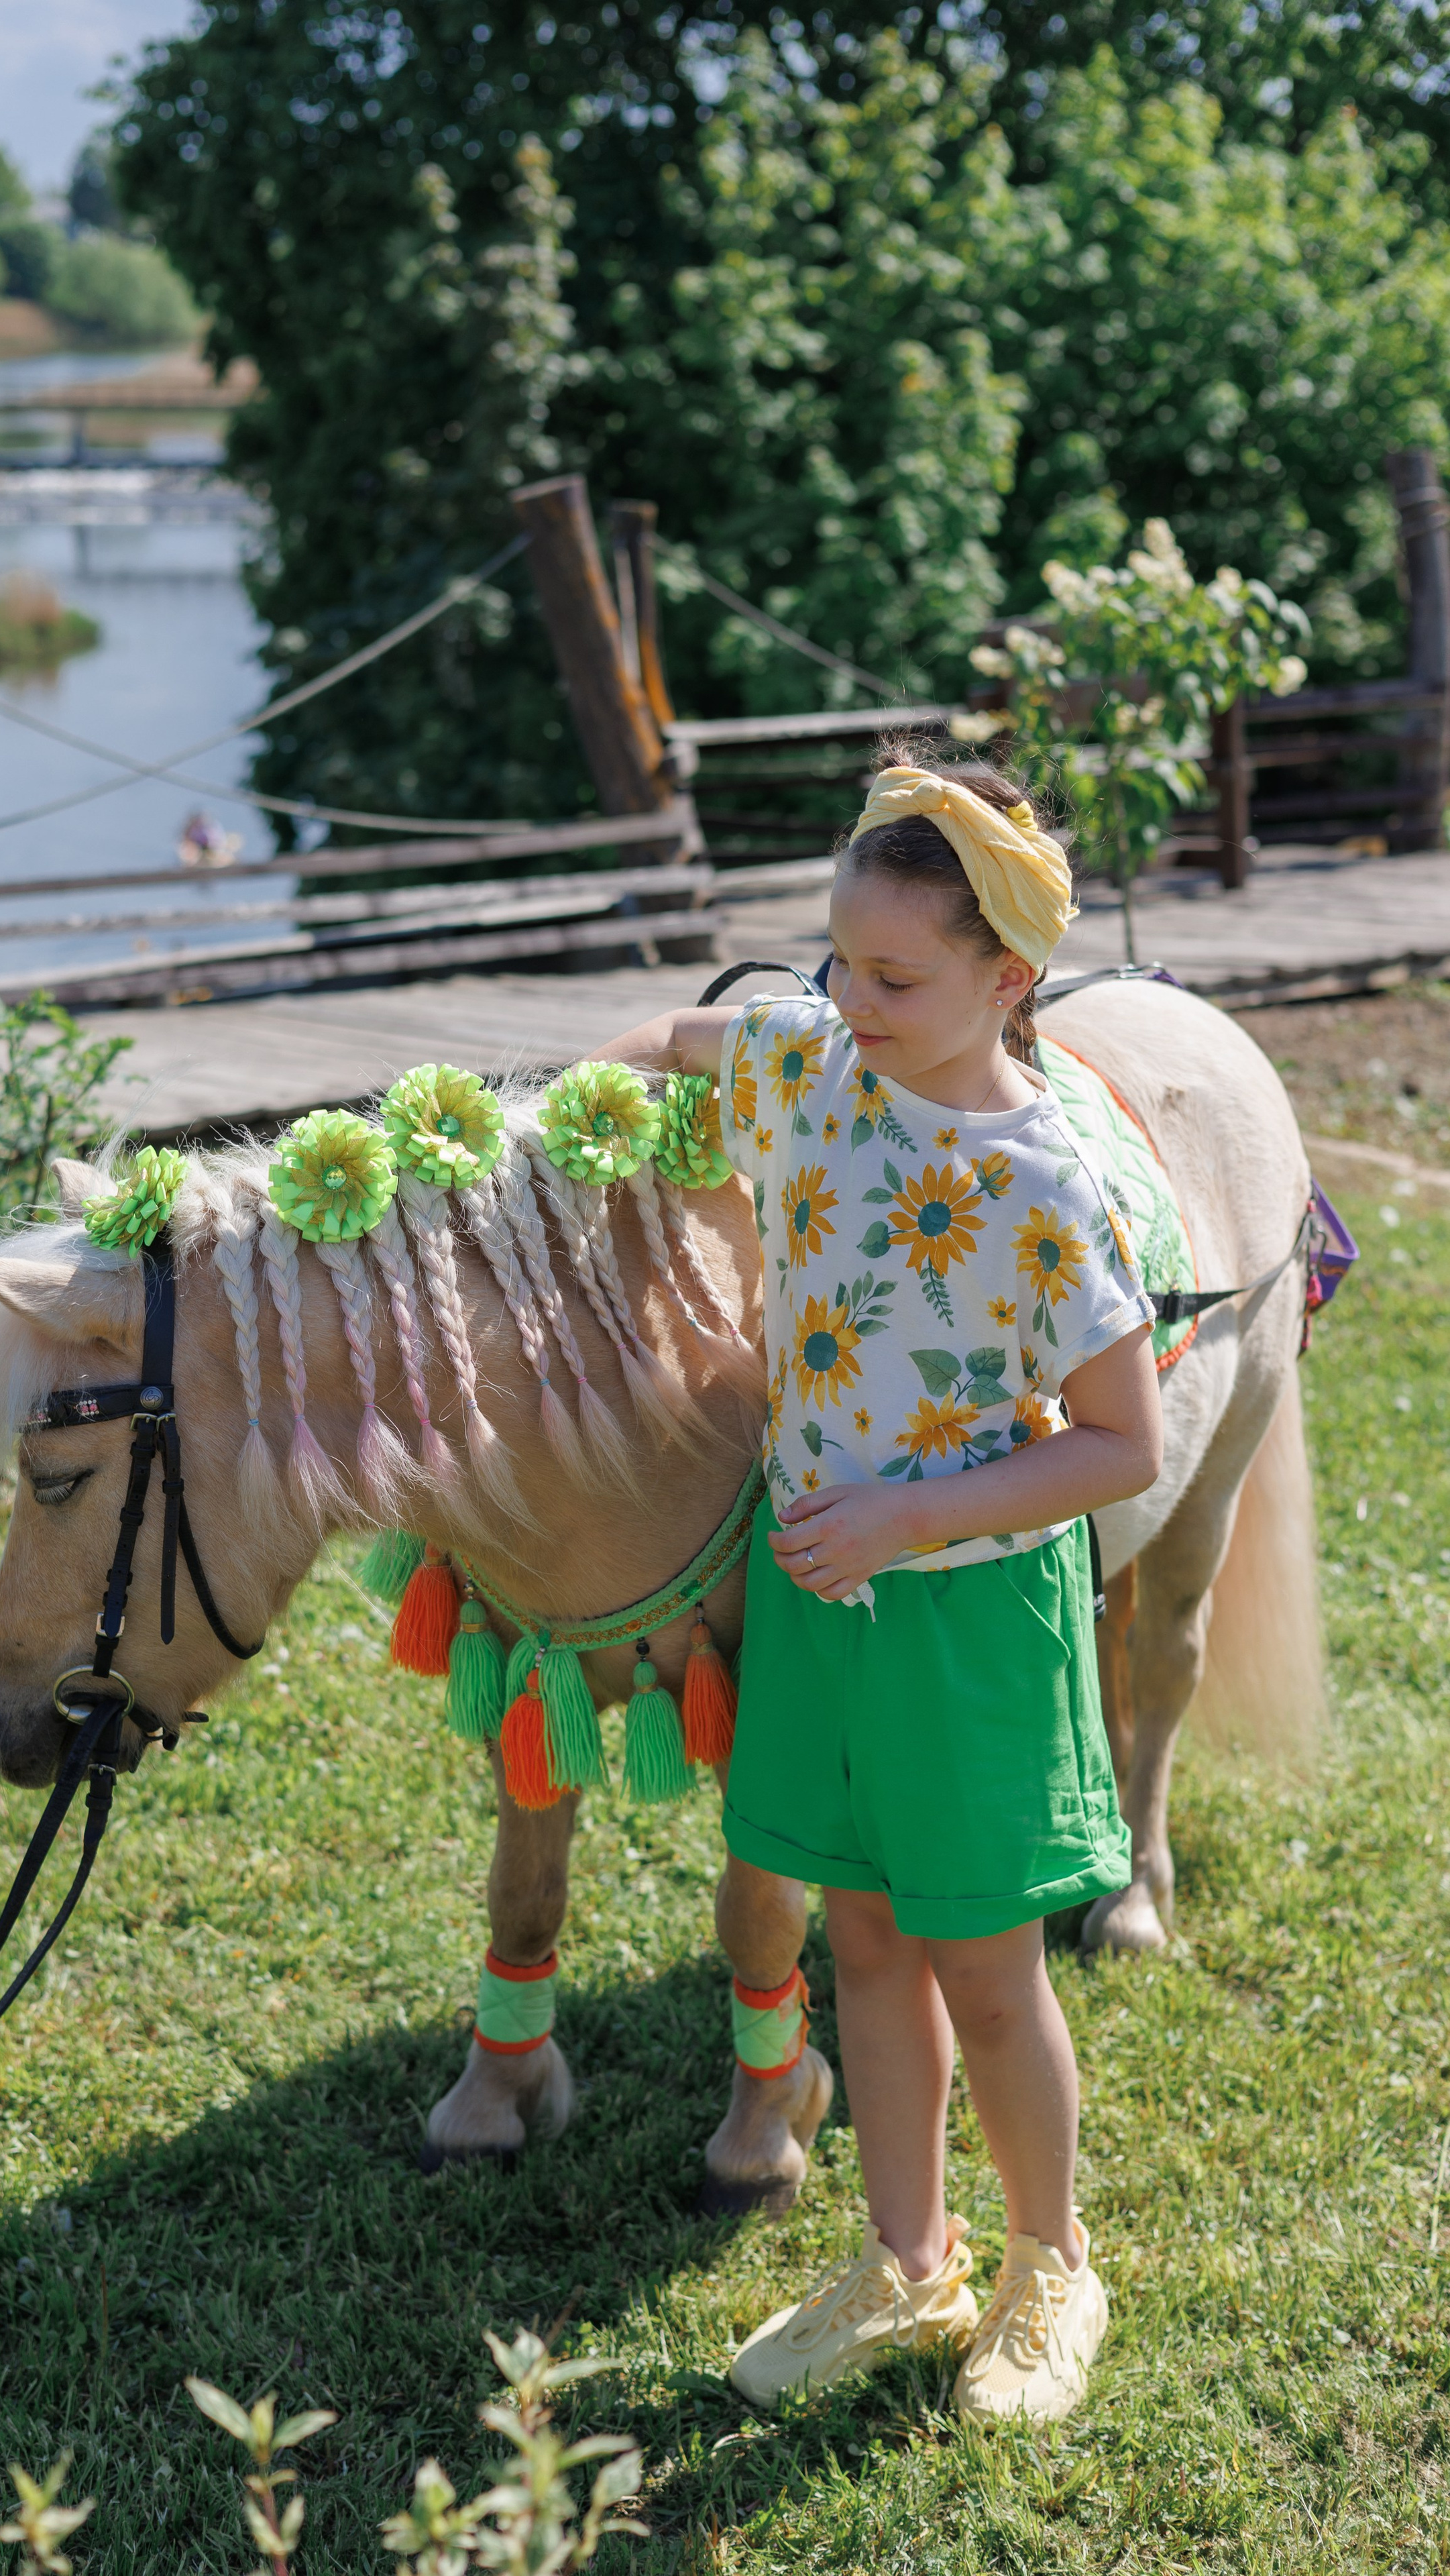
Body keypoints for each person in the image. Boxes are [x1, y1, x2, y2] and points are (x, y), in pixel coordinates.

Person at [595, 754, 1162, 2424]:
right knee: (862, 1939)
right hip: (819, 1605)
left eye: (892, 976)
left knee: (985, 1965)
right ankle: (908, 2262)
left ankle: (1050, 2267)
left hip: (963, 1614)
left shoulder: (1040, 1189)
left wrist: (910, 1519)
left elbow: (1116, 1445)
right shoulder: (812, 1070)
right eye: (834, 960)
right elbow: (681, 1041)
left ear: (1009, 980)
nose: (848, 1000)